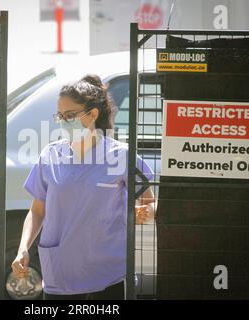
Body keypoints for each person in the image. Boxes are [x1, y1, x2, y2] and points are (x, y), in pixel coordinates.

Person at [11, 74, 156, 300]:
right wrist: (23, 248)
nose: (64, 121)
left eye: (70, 115)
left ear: (92, 114)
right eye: (60, 116)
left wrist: (147, 212)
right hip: (60, 273)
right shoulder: (50, 154)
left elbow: (149, 201)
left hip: (108, 275)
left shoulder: (121, 155)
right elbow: (38, 210)